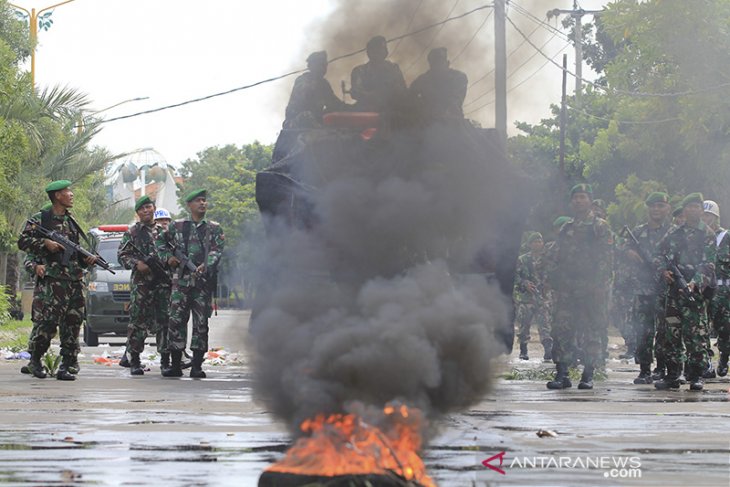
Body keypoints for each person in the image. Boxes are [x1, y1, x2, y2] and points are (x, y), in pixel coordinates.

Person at [17, 180, 98, 381]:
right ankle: (35, 359)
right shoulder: (41, 219)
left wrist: (87, 260)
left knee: (73, 323)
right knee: (48, 323)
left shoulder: (71, 221)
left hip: (74, 280)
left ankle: (68, 364)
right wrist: (46, 244)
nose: (71, 194)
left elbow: (75, 253)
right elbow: (23, 241)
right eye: (67, 191)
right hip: (53, 283)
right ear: (57, 196)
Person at [546, 184, 613, 390]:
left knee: (592, 330)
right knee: (562, 329)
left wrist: (600, 285)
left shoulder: (600, 226)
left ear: (590, 200)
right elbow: (557, 257)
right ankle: (562, 373)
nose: (578, 201)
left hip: (592, 287)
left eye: (582, 197)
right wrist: (553, 280)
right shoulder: (567, 228)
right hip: (568, 287)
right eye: (575, 197)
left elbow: (606, 258)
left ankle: (588, 374)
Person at [157, 189, 225, 378]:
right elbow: (160, 243)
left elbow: (217, 250)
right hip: (181, 282)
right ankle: (176, 364)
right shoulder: (177, 226)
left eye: (204, 200)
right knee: (176, 321)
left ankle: (196, 365)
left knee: (201, 324)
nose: (203, 203)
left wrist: (207, 264)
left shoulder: (214, 228)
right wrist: (168, 258)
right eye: (198, 201)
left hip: (202, 283)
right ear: (190, 205)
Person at [654, 193, 716, 391]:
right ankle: (673, 375)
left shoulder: (707, 234)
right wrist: (664, 271)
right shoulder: (674, 233)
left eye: (697, 207)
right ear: (684, 210)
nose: (693, 210)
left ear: (701, 210)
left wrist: (694, 283)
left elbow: (708, 264)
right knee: (672, 334)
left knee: (695, 335)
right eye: (689, 207)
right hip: (674, 293)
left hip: (695, 293)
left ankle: (696, 375)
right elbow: (660, 255)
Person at [117, 196, 171, 376]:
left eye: (149, 207)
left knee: (164, 321)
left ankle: (165, 361)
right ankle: (135, 360)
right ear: (138, 213)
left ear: (154, 208)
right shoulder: (132, 232)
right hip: (142, 286)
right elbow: (122, 255)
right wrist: (136, 263)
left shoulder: (164, 232)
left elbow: (173, 252)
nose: (146, 211)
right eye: (142, 209)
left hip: (162, 284)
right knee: (138, 322)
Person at [624, 192, 672, 384]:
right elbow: (622, 248)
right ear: (648, 209)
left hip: (665, 289)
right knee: (643, 330)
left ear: (667, 208)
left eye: (660, 206)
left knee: (665, 331)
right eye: (653, 206)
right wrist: (629, 253)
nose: (657, 210)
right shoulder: (638, 232)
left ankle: (661, 368)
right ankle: (644, 369)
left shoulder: (673, 232)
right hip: (642, 289)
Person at [513, 232, 552, 361]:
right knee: (524, 325)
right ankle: (523, 350)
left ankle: (548, 350)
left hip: (543, 297)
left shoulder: (547, 259)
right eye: (534, 241)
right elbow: (515, 276)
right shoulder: (523, 259)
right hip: (526, 298)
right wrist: (524, 283)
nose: (537, 244)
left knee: (545, 324)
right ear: (530, 244)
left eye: (540, 241)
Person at [283, 51, 346, 129]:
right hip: (295, 121)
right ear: (311, 66)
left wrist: (350, 108)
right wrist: (316, 83)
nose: (323, 68)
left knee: (332, 113)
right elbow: (304, 98)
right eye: (320, 64)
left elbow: (334, 103)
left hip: (315, 119)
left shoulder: (323, 83)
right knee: (307, 116)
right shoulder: (302, 80)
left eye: (324, 65)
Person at [702, 200, 729, 377]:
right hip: (704, 289)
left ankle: (724, 359)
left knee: (725, 329)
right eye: (704, 216)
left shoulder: (726, 237)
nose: (706, 219)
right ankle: (706, 363)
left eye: (710, 216)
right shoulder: (697, 237)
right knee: (701, 327)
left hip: (725, 292)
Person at [409, 47, 468, 121]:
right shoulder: (423, 79)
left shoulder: (458, 77)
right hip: (427, 122)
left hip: (452, 122)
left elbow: (455, 101)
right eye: (434, 64)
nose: (437, 67)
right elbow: (409, 97)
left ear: (447, 63)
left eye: (440, 63)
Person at [350, 36, 407, 112]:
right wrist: (375, 96)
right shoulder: (360, 71)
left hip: (392, 112)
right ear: (369, 52)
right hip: (368, 112)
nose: (380, 52)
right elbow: (356, 92)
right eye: (377, 49)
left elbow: (403, 90)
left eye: (382, 49)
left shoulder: (393, 69)